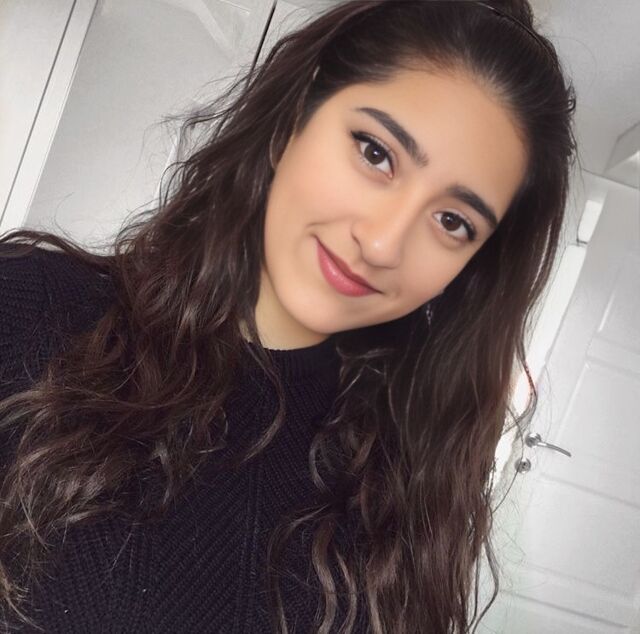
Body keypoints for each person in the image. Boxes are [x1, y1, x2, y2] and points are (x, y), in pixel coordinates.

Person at [0, 0, 576, 632]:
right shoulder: (27, 307)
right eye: (375, 153)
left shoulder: (400, 499)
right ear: (293, 121)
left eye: (452, 221)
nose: (382, 243)